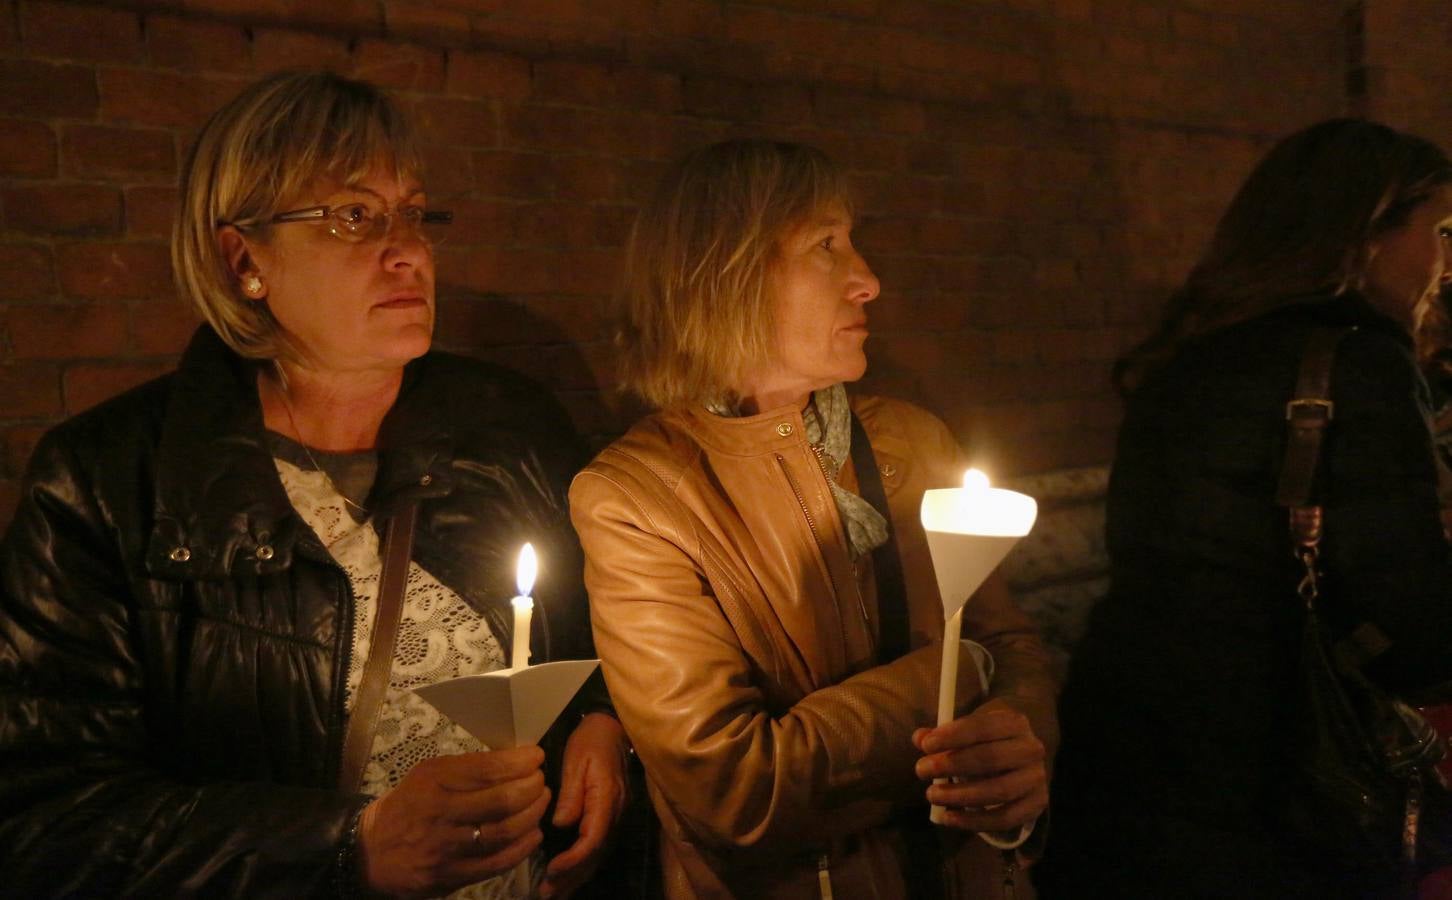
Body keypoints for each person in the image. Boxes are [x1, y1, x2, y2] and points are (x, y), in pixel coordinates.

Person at [0, 70, 629, 898]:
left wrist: (601, 723)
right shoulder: (108, 483)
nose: (406, 248)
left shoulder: (509, 427)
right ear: (244, 258)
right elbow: (47, 818)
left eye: (413, 212)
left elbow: (591, 633)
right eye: (352, 216)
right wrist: (348, 848)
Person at [568, 139, 1057, 899]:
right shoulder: (636, 497)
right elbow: (736, 791)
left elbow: (1007, 638)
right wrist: (962, 676)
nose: (867, 281)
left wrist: (1023, 744)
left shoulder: (913, 441)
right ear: (723, 272)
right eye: (826, 246)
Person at [1037, 119, 1452, 898]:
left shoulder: (1187, 354)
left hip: (1123, 758)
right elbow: (1417, 635)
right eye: (1439, 231)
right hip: (1277, 789)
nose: (1444, 263)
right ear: (1366, 233)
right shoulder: (1363, 362)